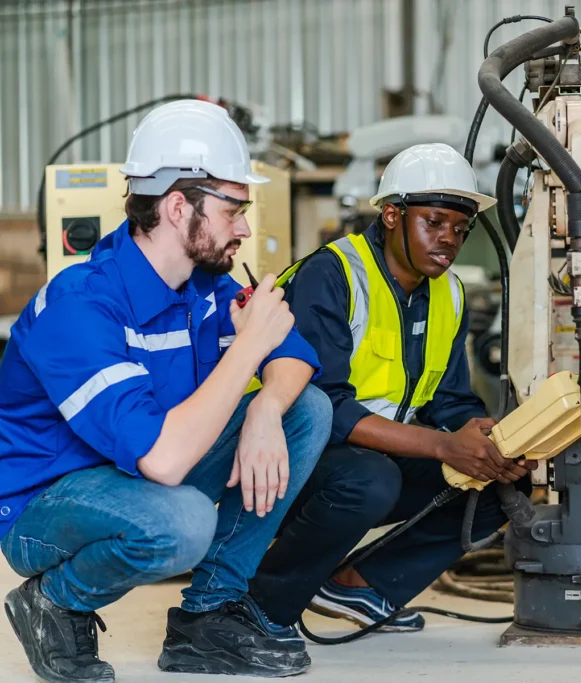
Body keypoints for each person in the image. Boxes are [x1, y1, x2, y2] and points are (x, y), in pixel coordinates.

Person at [0, 99, 332, 681]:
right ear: (179, 207)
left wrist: (266, 412)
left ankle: (206, 620)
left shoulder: (206, 286)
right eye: (233, 209)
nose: (246, 227)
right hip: (43, 506)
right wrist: (249, 350)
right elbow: (165, 458)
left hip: (136, 474)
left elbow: (295, 361)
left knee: (305, 410)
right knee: (180, 522)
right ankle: (55, 602)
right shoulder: (81, 305)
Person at [243, 143, 536, 636]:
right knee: (370, 481)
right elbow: (325, 407)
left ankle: (362, 588)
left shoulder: (450, 292)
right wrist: (445, 445)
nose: (449, 240)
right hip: (277, 452)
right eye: (435, 222)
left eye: (460, 230)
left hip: (372, 452)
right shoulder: (331, 274)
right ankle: (260, 608)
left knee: (499, 485)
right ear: (393, 215)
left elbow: (450, 400)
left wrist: (491, 442)